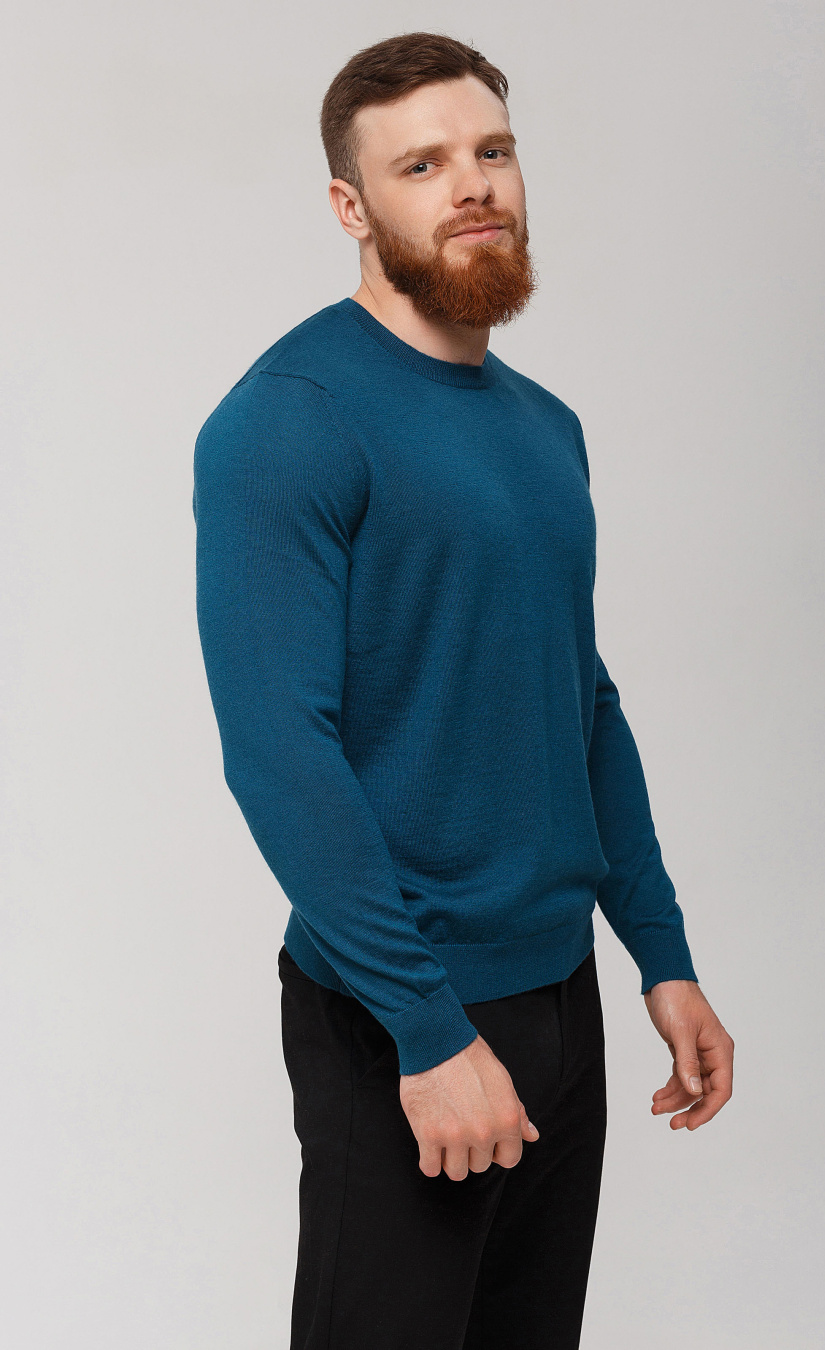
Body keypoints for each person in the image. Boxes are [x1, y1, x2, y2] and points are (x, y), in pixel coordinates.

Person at [192, 30, 734, 1350]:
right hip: (400, 1007)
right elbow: (281, 753)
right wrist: (427, 1031)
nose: (473, 184)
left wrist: (660, 955)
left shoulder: (547, 429)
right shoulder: (287, 420)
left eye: (492, 150)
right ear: (351, 206)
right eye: (423, 164)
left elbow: (580, 705)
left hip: (560, 996)